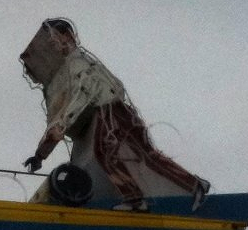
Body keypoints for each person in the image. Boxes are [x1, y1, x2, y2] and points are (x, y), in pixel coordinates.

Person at [21, 18, 208, 211]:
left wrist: (60, 127)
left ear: (68, 36)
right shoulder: (73, 66)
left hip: (109, 112)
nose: (54, 46)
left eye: (55, 40)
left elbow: (84, 93)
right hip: (118, 111)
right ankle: (193, 185)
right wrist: (41, 153)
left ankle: (137, 199)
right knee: (145, 156)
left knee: (109, 154)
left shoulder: (76, 62)